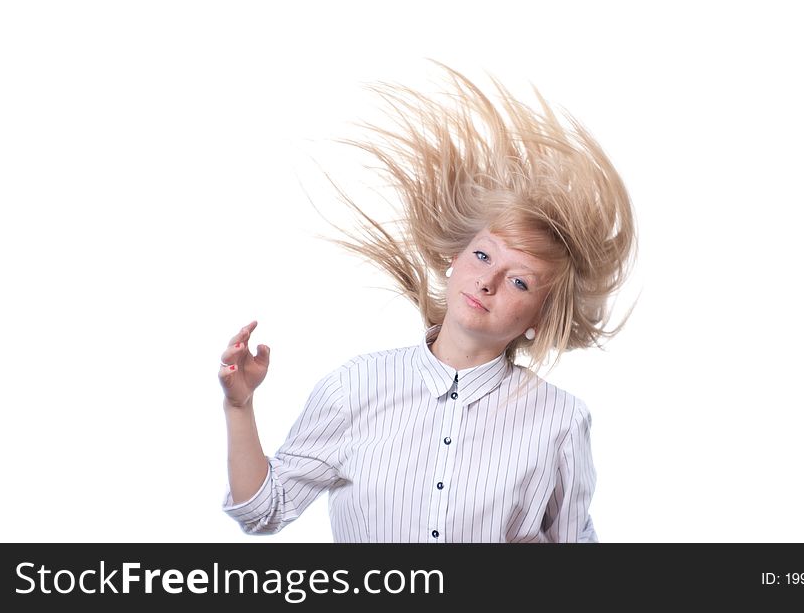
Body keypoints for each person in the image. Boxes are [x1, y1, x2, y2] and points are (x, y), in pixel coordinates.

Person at [218, 63, 636, 542]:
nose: (488, 282)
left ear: (540, 318)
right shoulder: (356, 387)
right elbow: (263, 513)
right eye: (482, 256)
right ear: (454, 261)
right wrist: (239, 407)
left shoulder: (560, 420)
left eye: (519, 282)